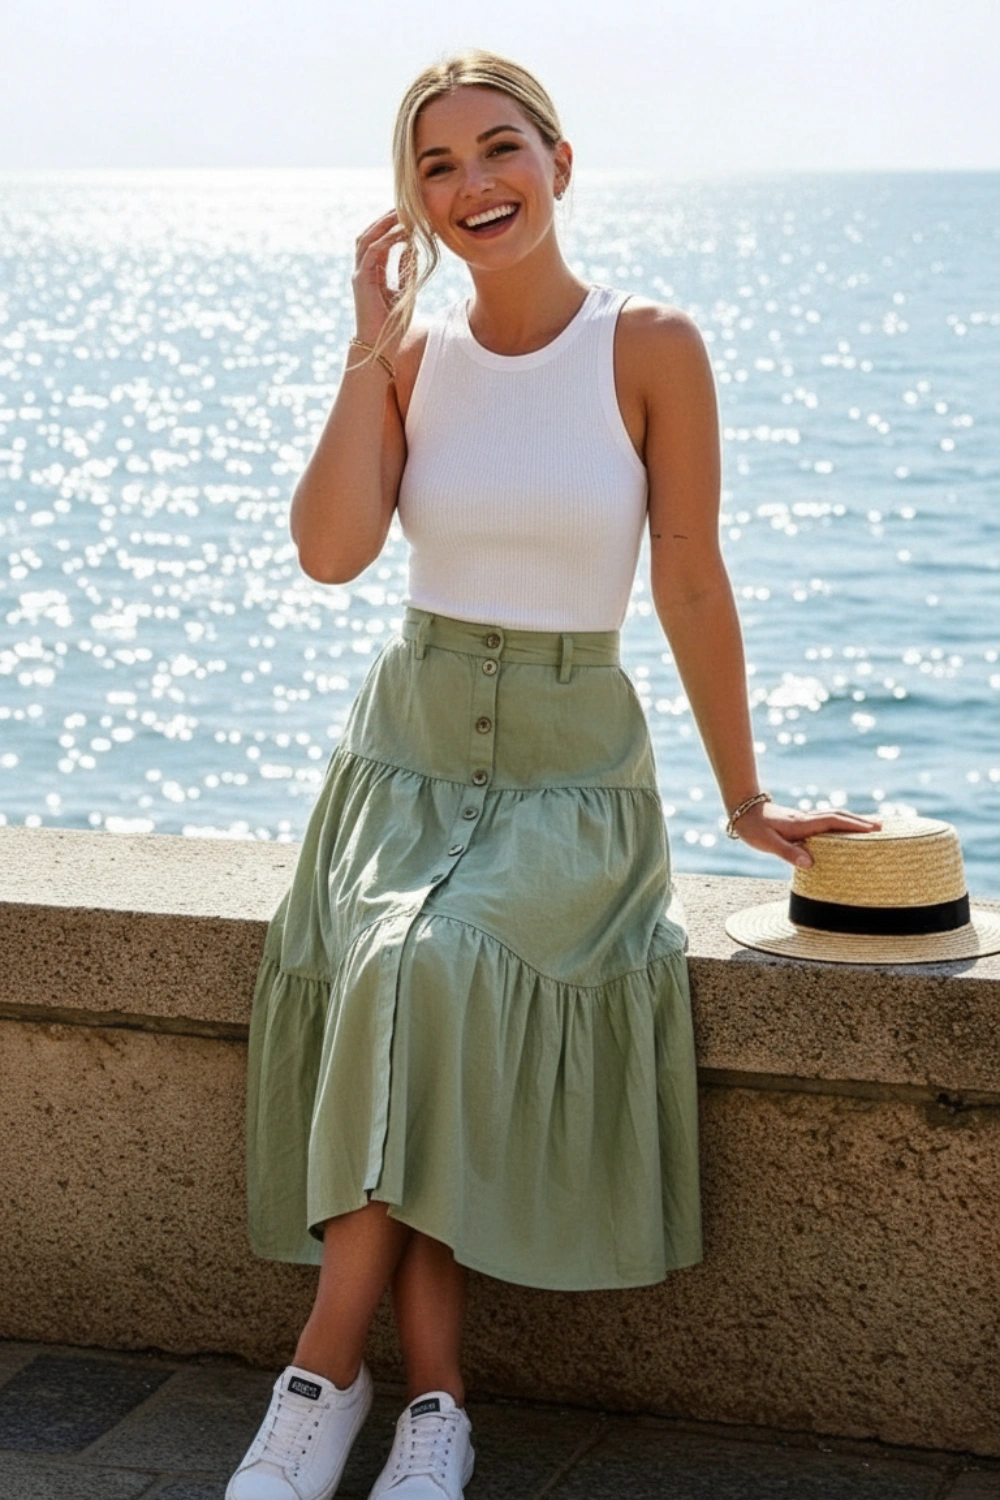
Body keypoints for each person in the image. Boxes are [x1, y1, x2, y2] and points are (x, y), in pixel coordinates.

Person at [227, 50, 878, 1500]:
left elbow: (693, 579)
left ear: (561, 162)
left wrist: (742, 796)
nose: (475, 186)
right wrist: (361, 341)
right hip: (403, 759)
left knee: (433, 968)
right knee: (409, 966)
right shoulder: (410, 356)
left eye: (500, 149)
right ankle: (435, 1409)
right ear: (411, 202)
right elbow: (332, 554)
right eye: (438, 166)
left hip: (574, 781)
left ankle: (321, 1374)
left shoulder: (649, 345)